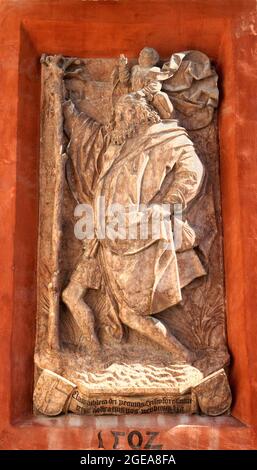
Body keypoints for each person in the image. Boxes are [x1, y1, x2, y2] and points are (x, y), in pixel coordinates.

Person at [62, 90, 206, 363]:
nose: (118, 119)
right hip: (104, 235)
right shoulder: (115, 145)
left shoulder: (165, 137)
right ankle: (95, 354)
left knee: (131, 314)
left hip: (138, 234)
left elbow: (192, 170)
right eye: (116, 114)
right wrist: (66, 104)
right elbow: (87, 133)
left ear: (141, 112)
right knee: (75, 296)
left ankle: (183, 355)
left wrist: (168, 205)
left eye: (124, 112)